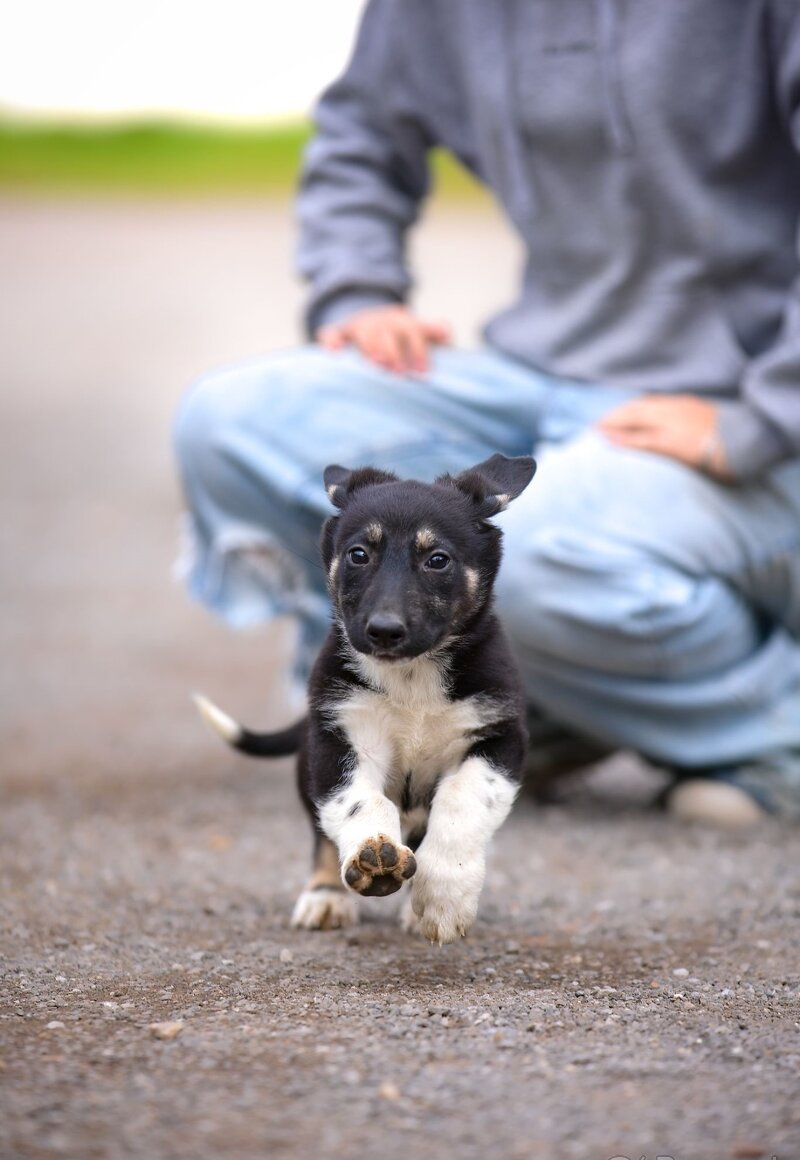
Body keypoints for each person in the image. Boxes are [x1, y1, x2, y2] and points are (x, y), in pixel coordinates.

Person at [174, 0, 800, 824]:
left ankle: (767, 734)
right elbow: (360, 130)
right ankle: (464, 705)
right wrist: (356, 285)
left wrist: (763, 414)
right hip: (543, 367)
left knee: (518, 559)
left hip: (747, 393)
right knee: (232, 422)